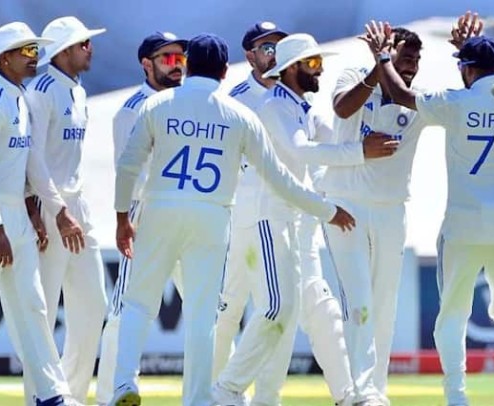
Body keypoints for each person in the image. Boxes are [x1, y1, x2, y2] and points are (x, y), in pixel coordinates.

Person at [109, 33, 355, 406]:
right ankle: (197, 400)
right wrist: (328, 211)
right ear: (225, 71)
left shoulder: (156, 104)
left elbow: (128, 165)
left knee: (139, 303)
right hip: (212, 216)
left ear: (188, 65)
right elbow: (281, 180)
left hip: (159, 209)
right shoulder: (240, 115)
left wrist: (121, 217)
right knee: (202, 315)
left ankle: (124, 384)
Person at [361, 13, 494, 406]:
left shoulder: (455, 103)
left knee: (454, 315)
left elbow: (401, 95)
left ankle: (457, 397)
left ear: (468, 70)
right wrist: (473, 53)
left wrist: (382, 56)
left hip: (463, 227)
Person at [213, 33, 396, 406]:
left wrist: (374, 84)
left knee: (310, 310)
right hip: (266, 218)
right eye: (312, 63)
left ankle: (348, 396)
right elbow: (302, 150)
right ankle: (225, 390)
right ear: (290, 68)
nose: (320, 70)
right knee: (272, 309)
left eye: (320, 62)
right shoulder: (274, 105)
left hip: (296, 220)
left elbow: (335, 139)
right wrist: (359, 153)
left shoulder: (302, 106)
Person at [0, 21, 88, 406]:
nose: (35, 57)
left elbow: (31, 164)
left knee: (34, 305)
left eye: (35, 50)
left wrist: (47, 210)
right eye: (27, 51)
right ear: (4, 58)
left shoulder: (21, 98)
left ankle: (51, 393)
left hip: (16, 218)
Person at [322, 25, 428, 406]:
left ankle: (373, 391)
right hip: (347, 206)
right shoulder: (356, 76)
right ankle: (363, 392)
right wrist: (377, 67)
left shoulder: (415, 100)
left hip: (391, 211)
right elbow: (341, 108)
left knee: (383, 306)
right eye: (405, 58)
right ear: (386, 54)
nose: (411, 67)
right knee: (360, 300)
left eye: (416, 60)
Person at [96, 30, 188, 406]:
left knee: (212, 307)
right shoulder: (132, 108)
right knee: (125, 308)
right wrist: (125, 220)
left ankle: (224, 392)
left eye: (181, 58)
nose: (177, 65)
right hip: (146, 213)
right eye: (168, 58)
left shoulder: (189, 100)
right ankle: (111, 394)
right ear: (146, 64)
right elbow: (128, 172)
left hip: (188, 213)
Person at [23, 16, 108, 404]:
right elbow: (33, 160)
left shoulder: (79, 91)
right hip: (49, 209)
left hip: (77, 208)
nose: (90, 48)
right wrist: (54, 211)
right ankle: (39, 398)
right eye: (83, 43)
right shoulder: (40, 91)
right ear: (63, 51)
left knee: (94, 306)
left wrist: (71, 209)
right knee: (42, 311)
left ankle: (69, 396)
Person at [213, 19, 288, 382]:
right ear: (250, 56)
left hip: (282, 215)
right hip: (242, 213)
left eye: (278, 47)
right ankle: (213, 391)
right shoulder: (235, 99)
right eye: (267, 48)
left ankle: (264, 395)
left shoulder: (293, 95)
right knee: (229, 307)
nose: (274, 55)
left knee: (273, 307)